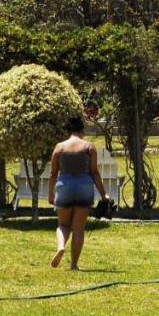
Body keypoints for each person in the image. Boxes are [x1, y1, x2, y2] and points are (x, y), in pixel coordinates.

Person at [47, 116, 106, 271]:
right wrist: (104, 194)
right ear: (82, 130)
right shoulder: (89, 147)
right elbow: (94, 172)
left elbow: (53, 173)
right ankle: (74, 265)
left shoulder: (59, 147)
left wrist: (51, 194)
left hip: (64, 186)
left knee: (63, 225)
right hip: (84, 187)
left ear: (68, 131)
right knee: (78, 228)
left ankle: (61, 247)